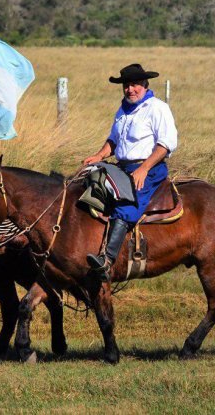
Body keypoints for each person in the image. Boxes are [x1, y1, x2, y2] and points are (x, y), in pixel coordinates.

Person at [82, 63, 178, 281]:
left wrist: (144, 169)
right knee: (87, 181)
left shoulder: (157, 108)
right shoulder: (123, 109)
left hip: (149, 168)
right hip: (123, 167)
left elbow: (166, 144)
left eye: (135, 84)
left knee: (127, 204)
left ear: (145, 84)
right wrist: (99, 156)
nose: (130, 89)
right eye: (126, 85)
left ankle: (106, 261)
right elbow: (114, 140)